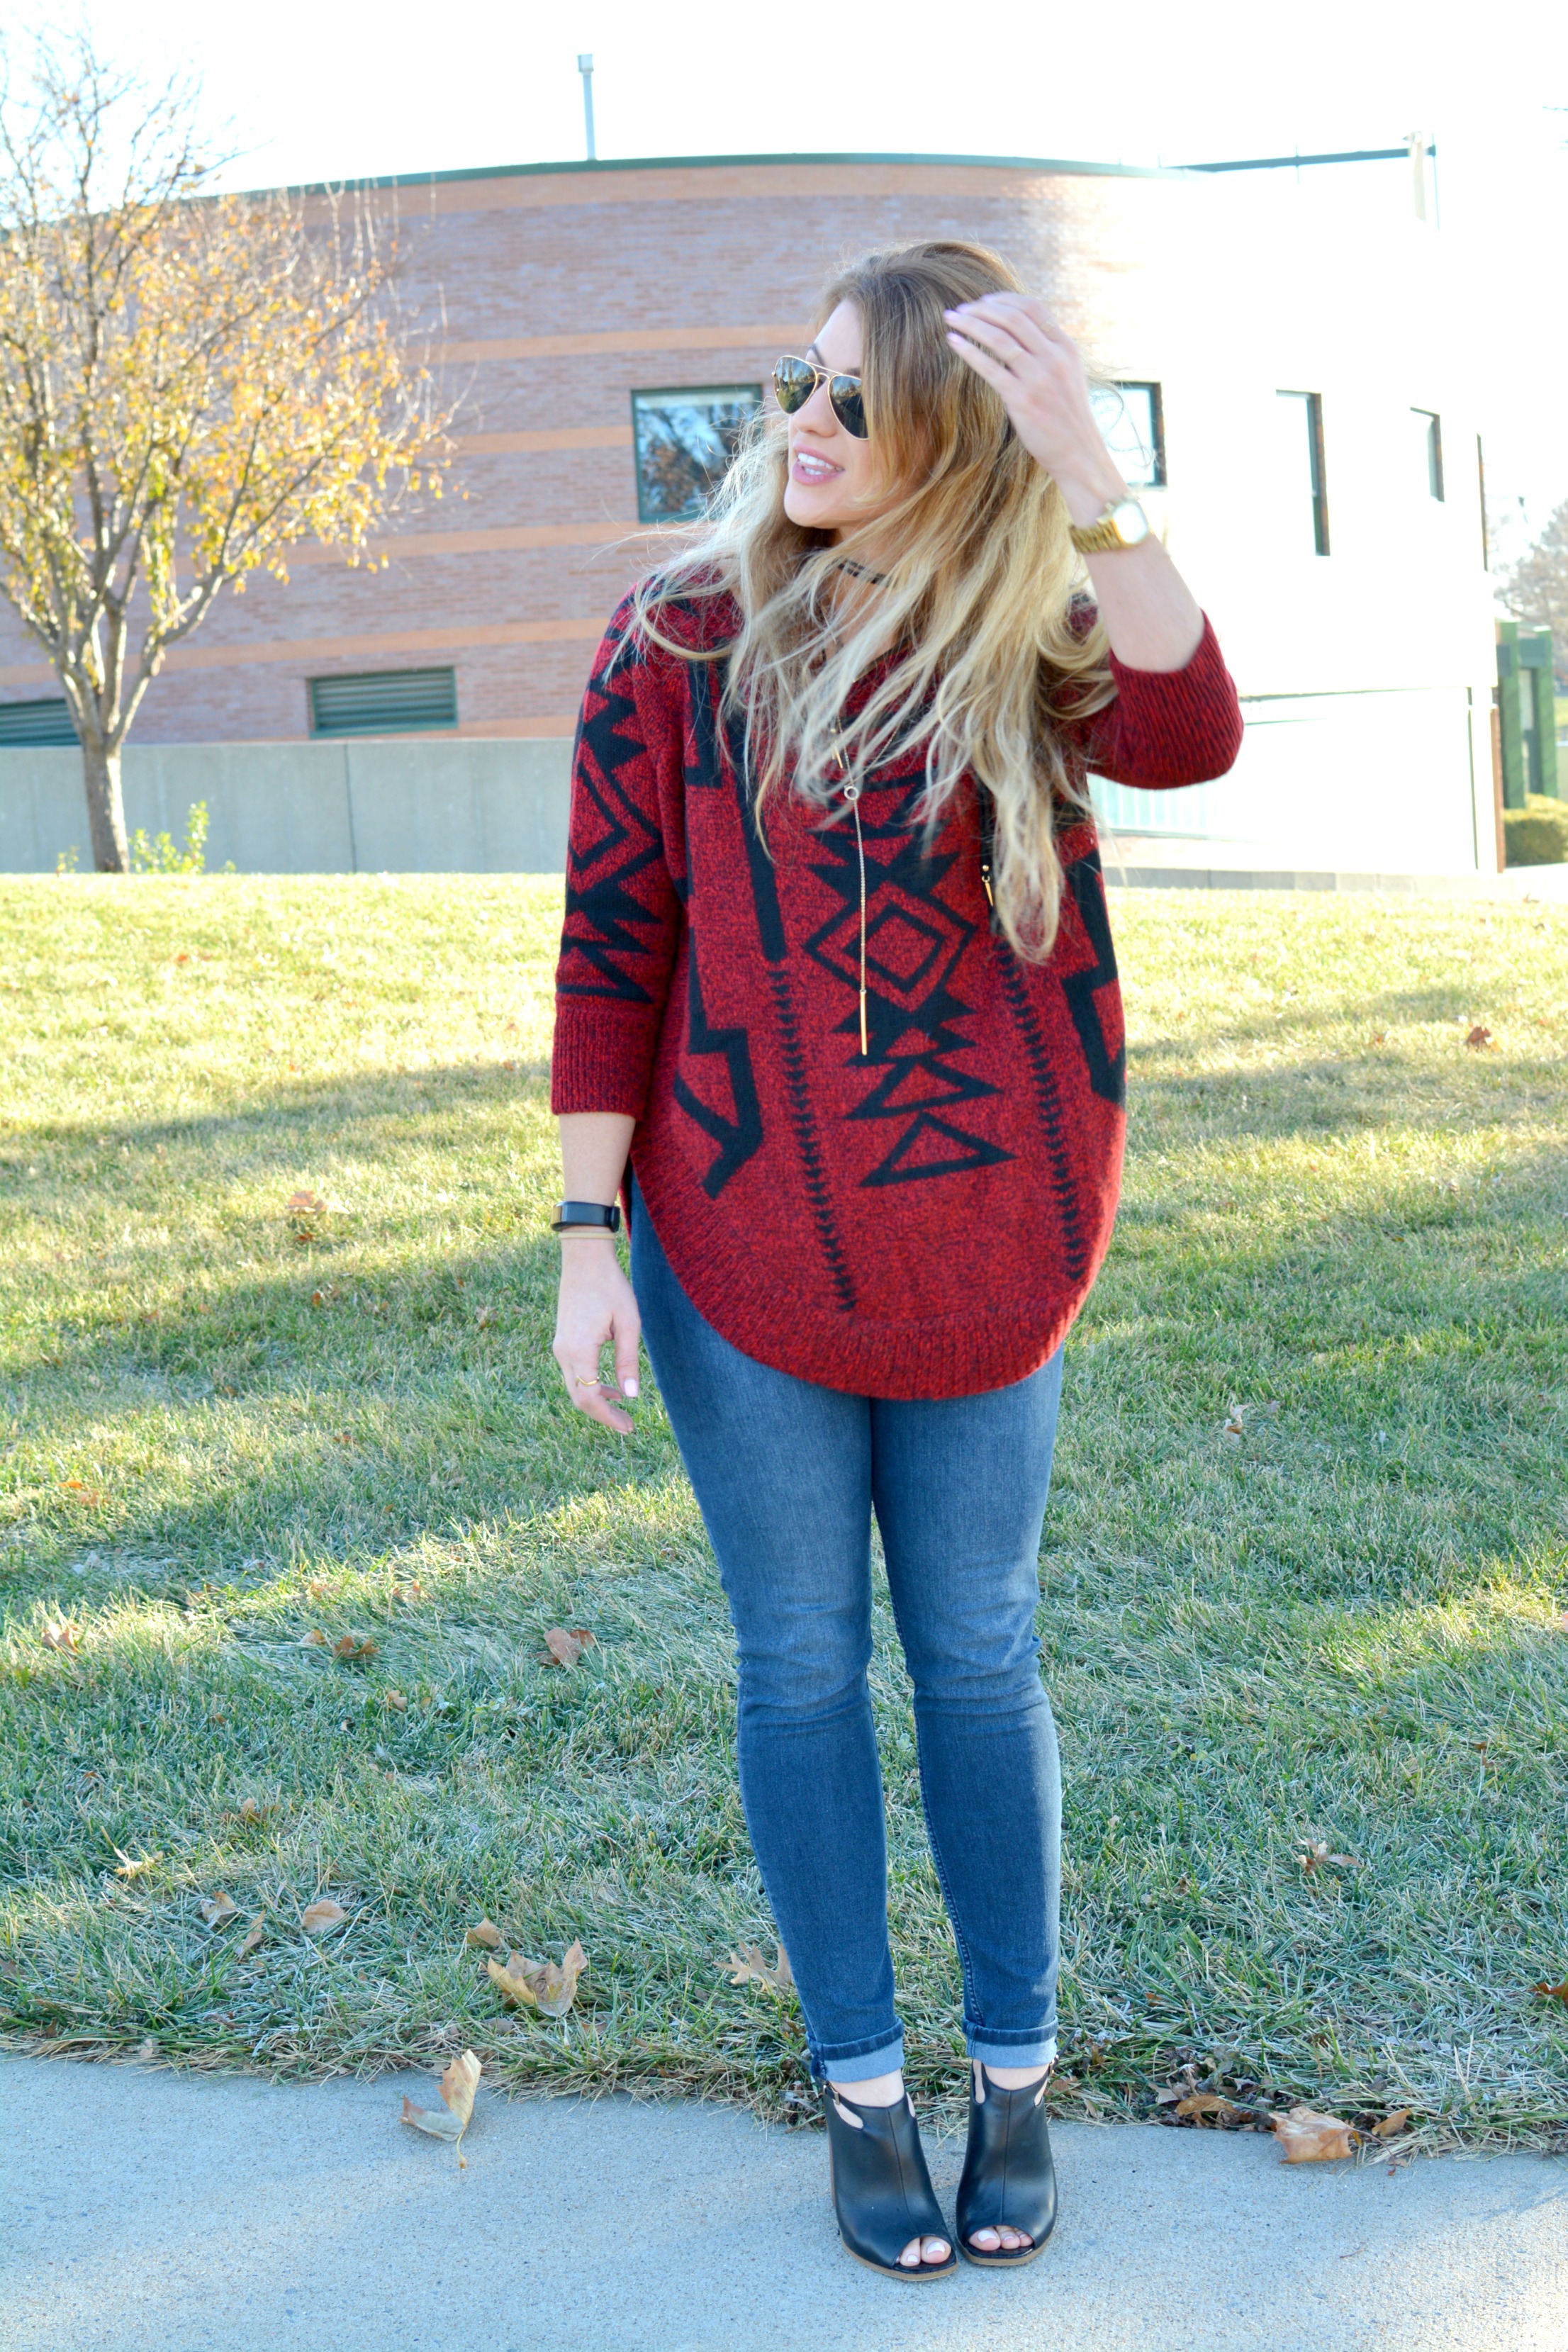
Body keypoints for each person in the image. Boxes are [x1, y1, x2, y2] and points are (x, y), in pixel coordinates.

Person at [548, 239, 1242, 2281]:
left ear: (953, 437)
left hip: (980, 1238)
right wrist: (587, 1231)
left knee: (977, 1650)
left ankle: (1011, 2086)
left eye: (858, 400)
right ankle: (864, 2097)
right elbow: (611, 954)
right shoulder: (676, 639)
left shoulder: (1029, 637)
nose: (804, 427)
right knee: (794, 1662)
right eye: (799, 383)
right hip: (734, 1236)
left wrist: (1092, 481)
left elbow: (1194, 738)